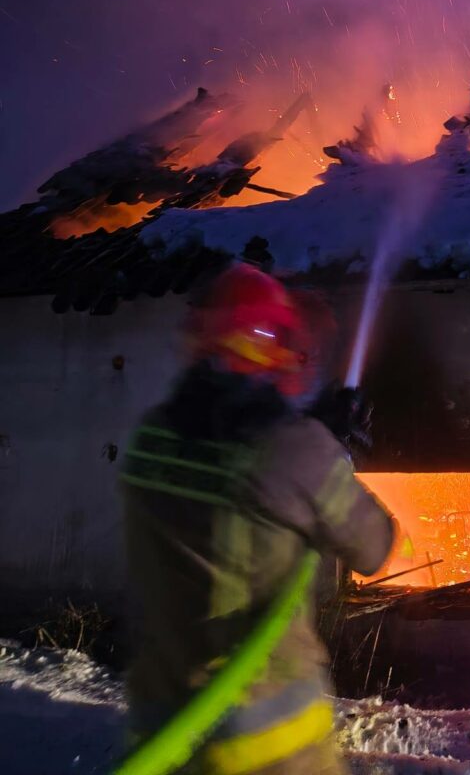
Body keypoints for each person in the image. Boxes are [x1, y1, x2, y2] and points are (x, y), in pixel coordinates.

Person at [121, 262, 394, 774]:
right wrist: (326, 452)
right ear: (269, 343)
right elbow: (374, 547)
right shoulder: (296, 452)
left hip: (164, 727)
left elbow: (232, 470)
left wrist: (313, 438)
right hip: (269, 746)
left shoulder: (150, 438)